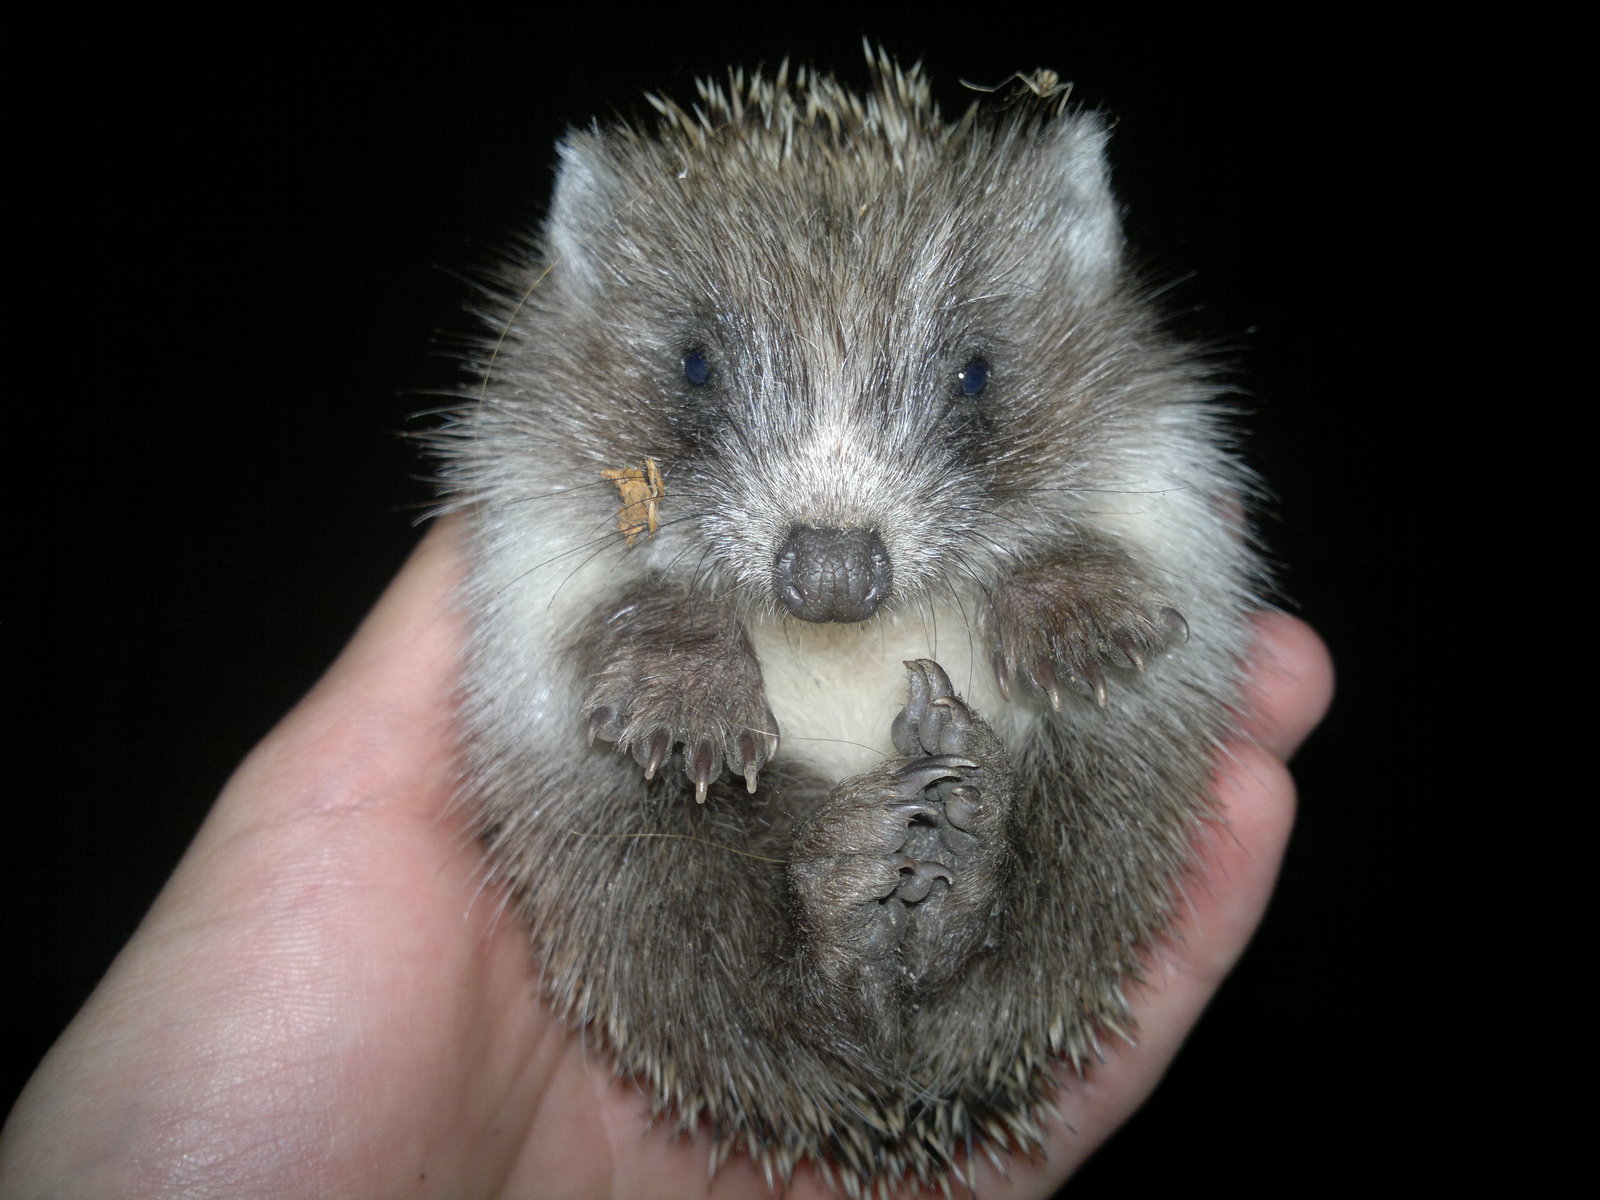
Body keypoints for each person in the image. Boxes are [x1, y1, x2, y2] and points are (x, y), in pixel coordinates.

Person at [0, 520, 1332, 1199]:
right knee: (623, 769)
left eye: (970, 380)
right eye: (704, 374)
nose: (832, 545)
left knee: (1116, 700)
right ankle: (866, 903)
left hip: (1008, 807)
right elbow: (558, 617)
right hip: (718, 935)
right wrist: (653, 638)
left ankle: (947, 911)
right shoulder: (601, 457)